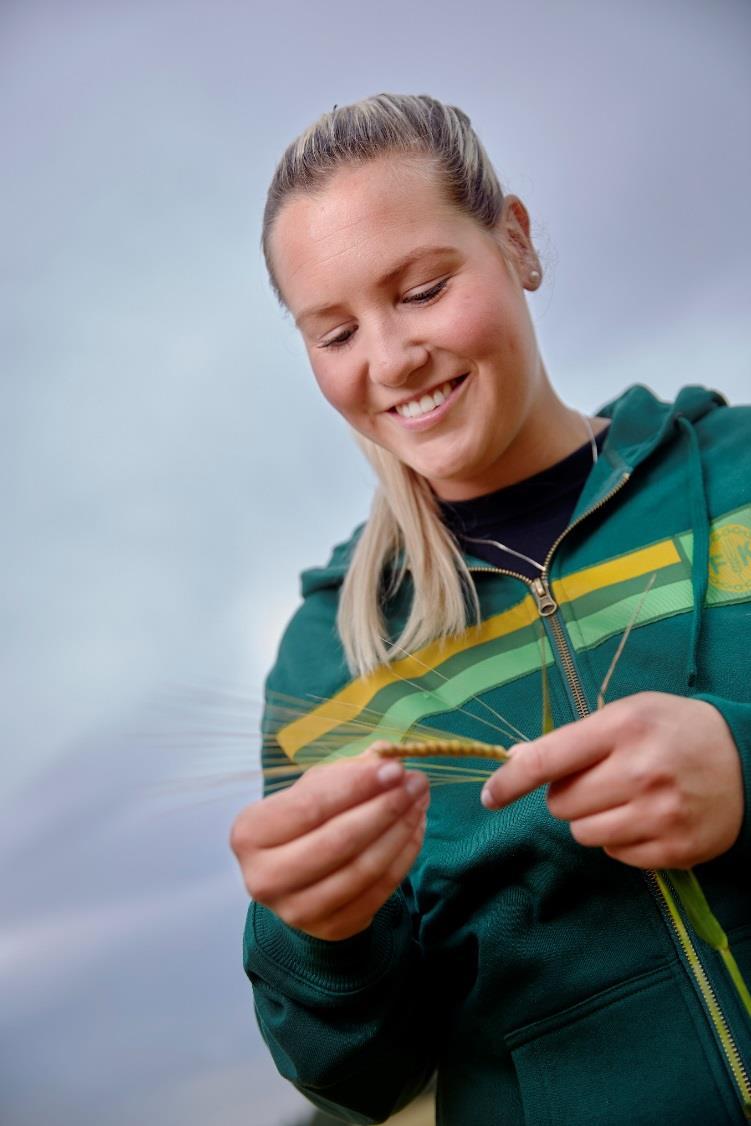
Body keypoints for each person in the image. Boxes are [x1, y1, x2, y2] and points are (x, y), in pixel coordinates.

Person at [230, 93, 751, 1124]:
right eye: (334, 332)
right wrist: (314, 939)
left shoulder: (737, 475)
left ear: (514, 240)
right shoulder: (329, 662)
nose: (388, 360)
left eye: (420, 290)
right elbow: (363, 1075)